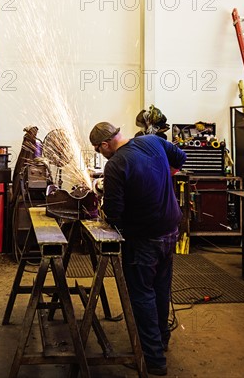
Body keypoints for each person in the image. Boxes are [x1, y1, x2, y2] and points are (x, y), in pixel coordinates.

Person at [89, 121, 187, 376]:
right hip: (170, 231)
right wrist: (162, 178)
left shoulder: (116, 164)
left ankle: (153, 359)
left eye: (99, 150)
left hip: (143, 240)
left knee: (142, 294)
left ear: (104, 144)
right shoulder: (152, 140)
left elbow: (114, 211)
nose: (101, 155)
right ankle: (161, 340)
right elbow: (180, 156)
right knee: (160, 288)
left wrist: (105, 206)